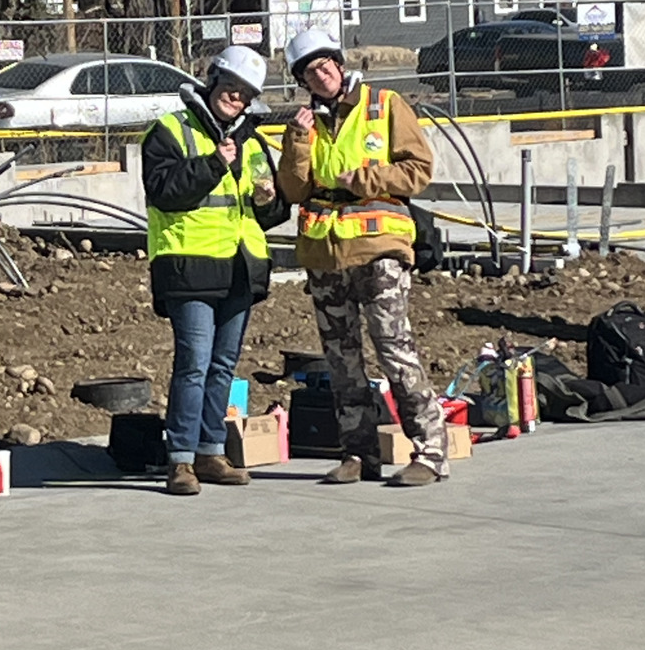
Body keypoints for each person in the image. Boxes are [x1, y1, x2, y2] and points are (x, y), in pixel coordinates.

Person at [277, 28, 448, 487]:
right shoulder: (304, 124)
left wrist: (366, 180)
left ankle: (431, 452)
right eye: (310, 72)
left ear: (339, 62)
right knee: (342, 360)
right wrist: (296, 141)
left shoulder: (385, 105)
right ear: (303, 81)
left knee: (394, 350)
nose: (321, 75)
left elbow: (419, 170)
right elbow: (293, 190)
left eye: (325, 65)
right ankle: (358, 452)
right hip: (326, 254)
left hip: (379, 249)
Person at [142, 45, 289, 496]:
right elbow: (164, 190)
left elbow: (269, 209)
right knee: (194, 363)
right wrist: (213, 164)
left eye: (245, 93)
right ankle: (181, 460)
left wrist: (271, 201)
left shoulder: (253, 140)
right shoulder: (170, 131)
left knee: (223, 365)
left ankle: (210, 451)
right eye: (231, 87)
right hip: (189, 266)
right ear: (213, 81)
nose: (237, 98)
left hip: (240, 268)